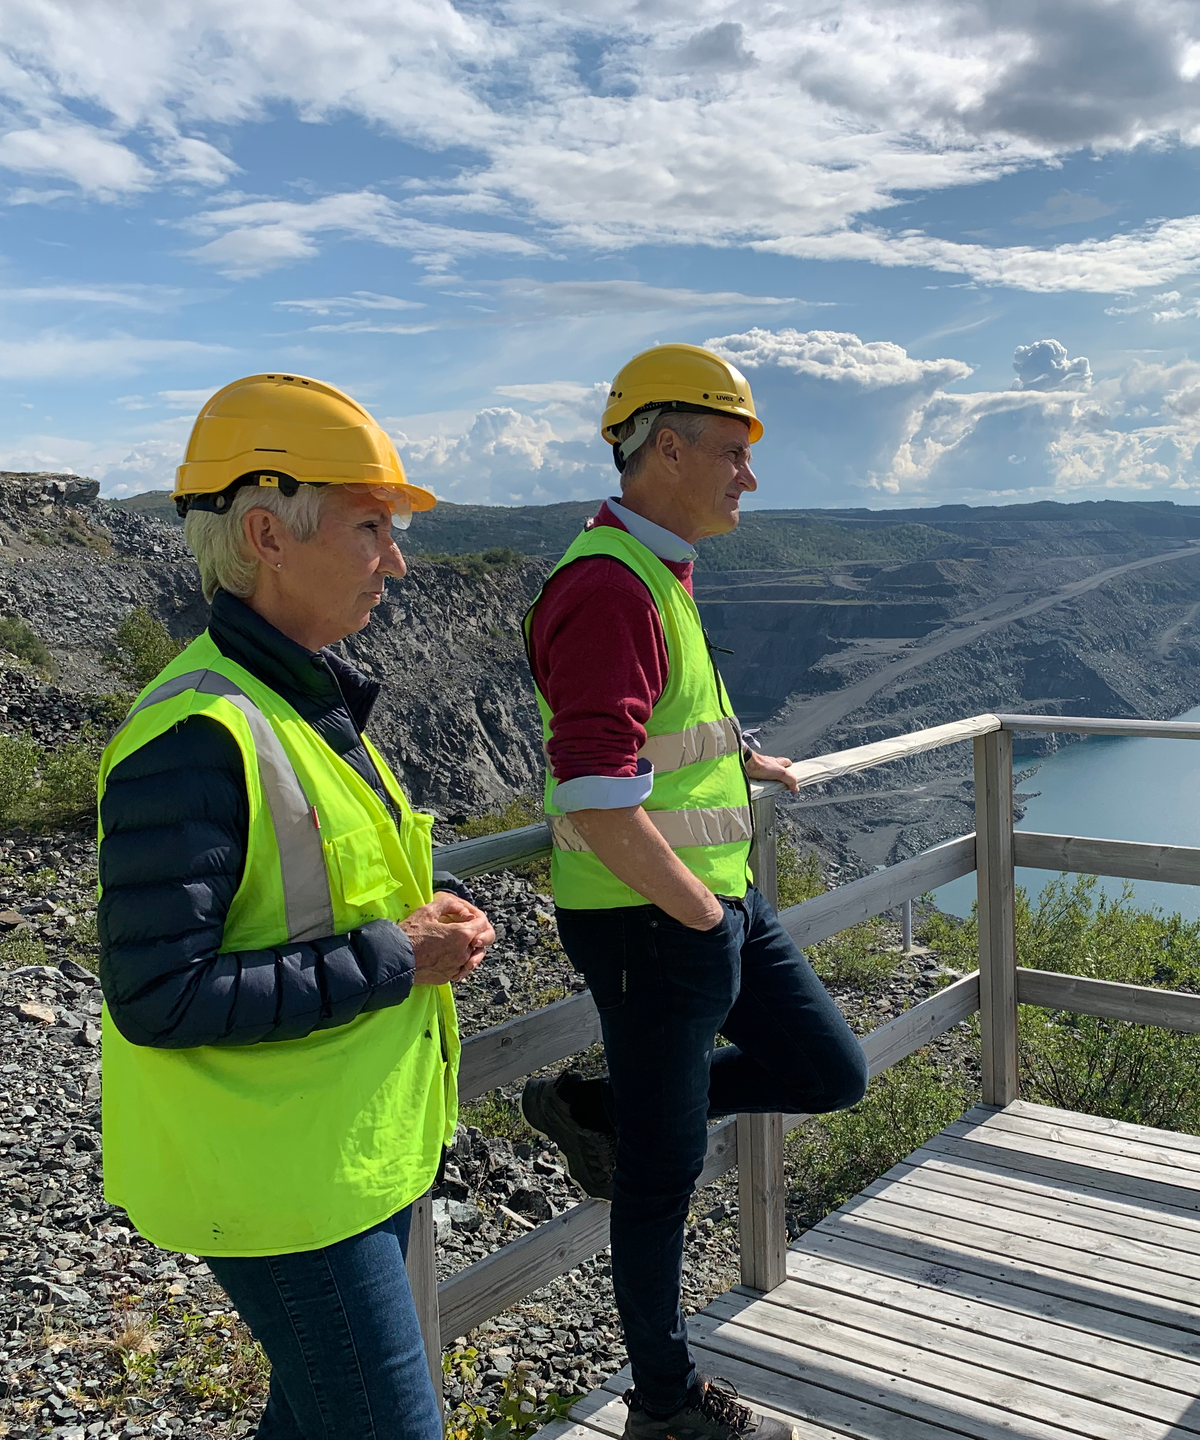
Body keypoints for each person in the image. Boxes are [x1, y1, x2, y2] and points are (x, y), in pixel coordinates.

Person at [95, 373, 496, 1440]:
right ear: (267, 533)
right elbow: (157, 993)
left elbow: (319, 895)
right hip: (282, 1184)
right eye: (372, 527)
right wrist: (396, 955)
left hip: (346, 1154)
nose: (398, 560)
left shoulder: (296, 697)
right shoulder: (194, 734)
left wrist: (421, 920)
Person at [519, 344, 868, 1440]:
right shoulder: (606, 586)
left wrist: (740, 760)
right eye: (732, 451)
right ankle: (664, 1411)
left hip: (709, 905)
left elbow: (657, 743)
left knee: (828, 1069)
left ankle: (605, 1107)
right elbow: (593, 791)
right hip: (655, 922)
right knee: (662, 1181)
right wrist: (698, 912)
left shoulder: (654, 571)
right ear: (665, 447)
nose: (748, 479)